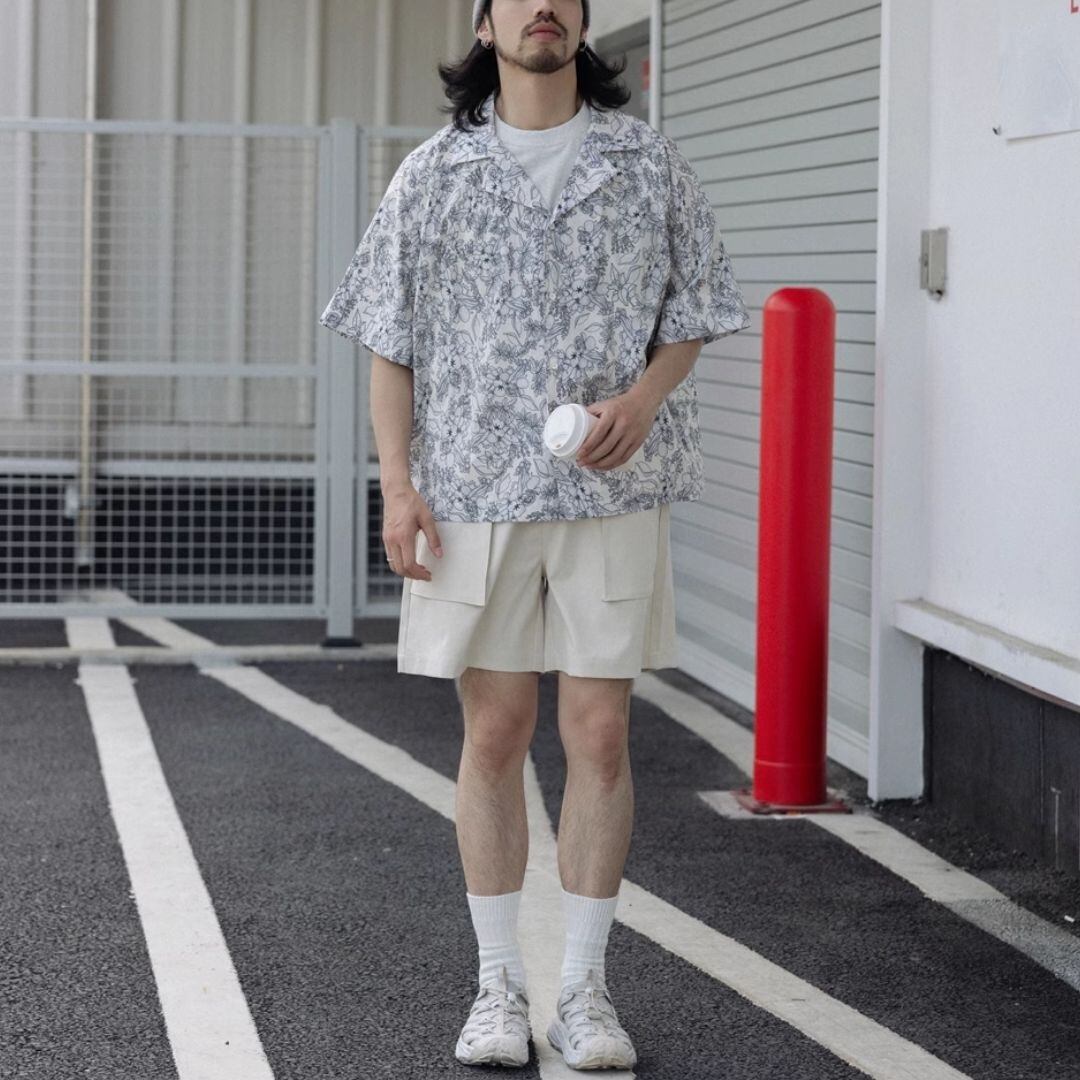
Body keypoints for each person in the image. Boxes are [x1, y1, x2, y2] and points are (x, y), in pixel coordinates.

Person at [319, 0, 750, 1068]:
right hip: (474, 492)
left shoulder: (649, 165)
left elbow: (693, 310)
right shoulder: (432, 175)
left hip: (611, 493)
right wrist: (398, 488)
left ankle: (586, 992)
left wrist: (644, 400)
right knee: (496, 734)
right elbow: (388, 341)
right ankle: (498, 985)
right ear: (485, 26)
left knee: (600, 734)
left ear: (584, 23)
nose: (540, 6)